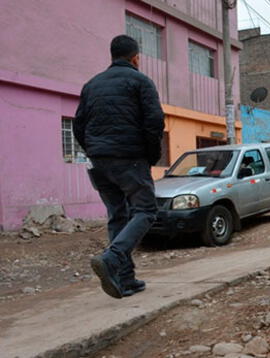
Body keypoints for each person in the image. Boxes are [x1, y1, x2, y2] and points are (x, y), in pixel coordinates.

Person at [74, 35, 165, 299]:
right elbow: (154, 121)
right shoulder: (140, 81)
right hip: (129, 158)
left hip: (100, 161)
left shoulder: (91, 85)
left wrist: (93, 150)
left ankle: (125, 279)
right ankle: (112, 258)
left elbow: (79, 124)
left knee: (118, 215)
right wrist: (151, 155)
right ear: (136, 57)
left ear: (112, 56)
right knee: (146, 210)